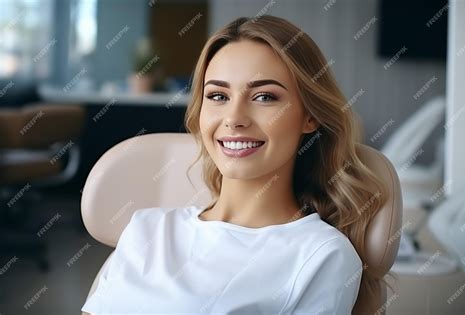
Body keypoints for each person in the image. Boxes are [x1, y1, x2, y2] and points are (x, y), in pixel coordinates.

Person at [82, 15, 389, 314]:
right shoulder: (147, 228)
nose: (234, 119)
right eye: (217, 95)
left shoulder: (322, 255)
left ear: (310, 116)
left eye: (265, 97)